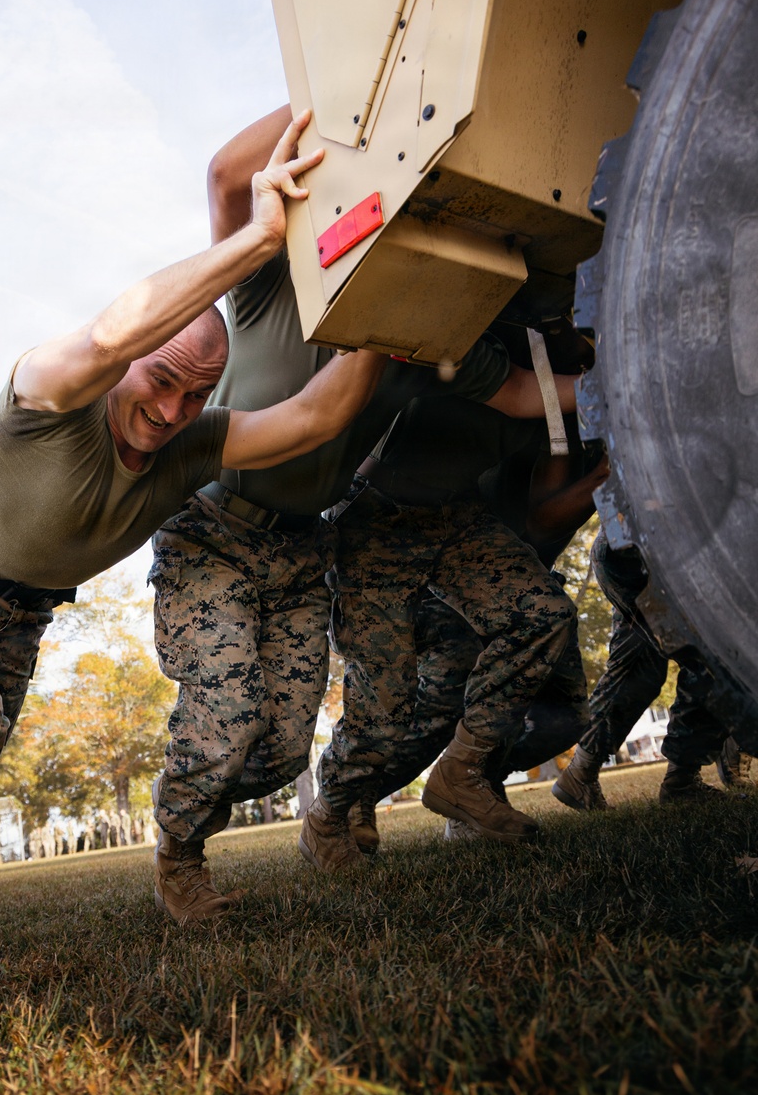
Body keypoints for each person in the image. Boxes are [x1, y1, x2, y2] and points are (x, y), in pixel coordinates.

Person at [0, 113, 386, 969]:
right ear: (129, 365)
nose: (172, 410)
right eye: (162, 379)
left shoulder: (187, 449)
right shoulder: (50, 394)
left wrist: (379, 303)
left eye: (197, 393)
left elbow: (317, 414)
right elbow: (110, 336)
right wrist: (257, 241)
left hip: (21, 613)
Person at [150, 108, 583, 923]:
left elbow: (522, 393)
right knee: (228, 721)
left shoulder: (427, 336)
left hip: (303, 546)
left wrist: (621, 379)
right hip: (217, 526)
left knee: (278, 749)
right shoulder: (280, 277)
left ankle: (306, 793)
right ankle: (181, 852)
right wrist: (340, 88)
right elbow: (223, 177)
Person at [302, 362, 587, 872]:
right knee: (385, 704)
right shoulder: (490, 328)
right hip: (377, 513)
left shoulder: (569, 372)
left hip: (457, 515)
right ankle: (330, 814)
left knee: (544, 615)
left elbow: (547, 502)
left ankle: (464, 770)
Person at [553, 532, 733, 809]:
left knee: (639, 665)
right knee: (713, 658)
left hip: (619, 542)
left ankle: (580, 772)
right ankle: (682, 782)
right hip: (660, 548)